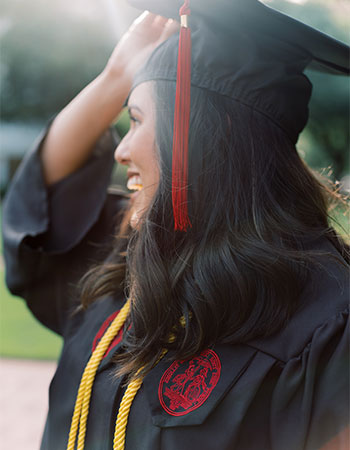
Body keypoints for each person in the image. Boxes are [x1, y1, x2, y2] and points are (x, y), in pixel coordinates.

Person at [2, 1, 349, 449]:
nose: (120, 149)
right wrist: (116, 77)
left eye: (138, 121)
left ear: (204, 134)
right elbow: (41, 211)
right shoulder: (123, 266)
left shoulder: (325, 323)